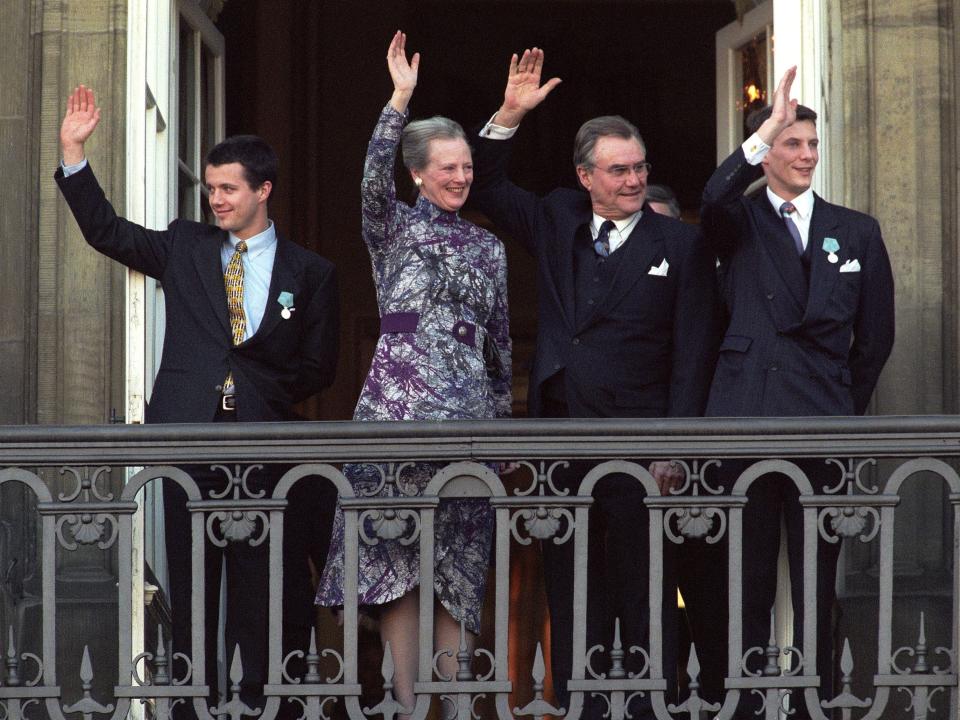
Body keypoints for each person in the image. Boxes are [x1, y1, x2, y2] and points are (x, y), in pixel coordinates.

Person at [56, 86, 339, 718]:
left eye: (228, 189)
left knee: (261, 587)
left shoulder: (311, 271)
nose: (215, 199)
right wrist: (75, 155)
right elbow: (109, 234)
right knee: (191, 584)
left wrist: (257, 393)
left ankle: (263, 704)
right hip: (188, 442)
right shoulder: (185, 247)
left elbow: (320, 366)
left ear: (263, 190)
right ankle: (191, 704)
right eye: (210, 188)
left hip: (266, 447)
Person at [467, 48, 719, 719]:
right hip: (563, 434)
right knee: (572, 585)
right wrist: (508, 115)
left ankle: (650, 708)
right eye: (618, 170)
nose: (633, 179)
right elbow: (485, 187)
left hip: (644, 440)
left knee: (646, 589)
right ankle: (580, 706)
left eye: (639, 167)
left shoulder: (682, 245)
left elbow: (694, 353)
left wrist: (678, 446)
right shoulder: (556, 219)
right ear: (587, 176)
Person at [315, 32, 512, 719]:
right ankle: (407, 706)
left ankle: (453, 706)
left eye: (466, 167)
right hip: (394, 419)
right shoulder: (390, 229)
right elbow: (370, 178)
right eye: (447, 168)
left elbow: (500, 350)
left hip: (466, 428)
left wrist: (502, 433)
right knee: (397, 571)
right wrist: (398, 100)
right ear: (418, 174)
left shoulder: (489, 247)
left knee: (457, 574)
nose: (460, 177)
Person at [700, 66, 895, 716]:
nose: (807, 155)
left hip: (822, 424)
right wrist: (757, 135)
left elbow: (876, 338)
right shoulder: (741, 222)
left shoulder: (855, 230)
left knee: (818, 580)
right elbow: (712, 198)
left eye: (813, 144)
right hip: (747, 421)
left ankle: (818, 702)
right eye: (793, 143)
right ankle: (748, 704)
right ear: (769, 152)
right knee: (747, 581)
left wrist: (840, 399)